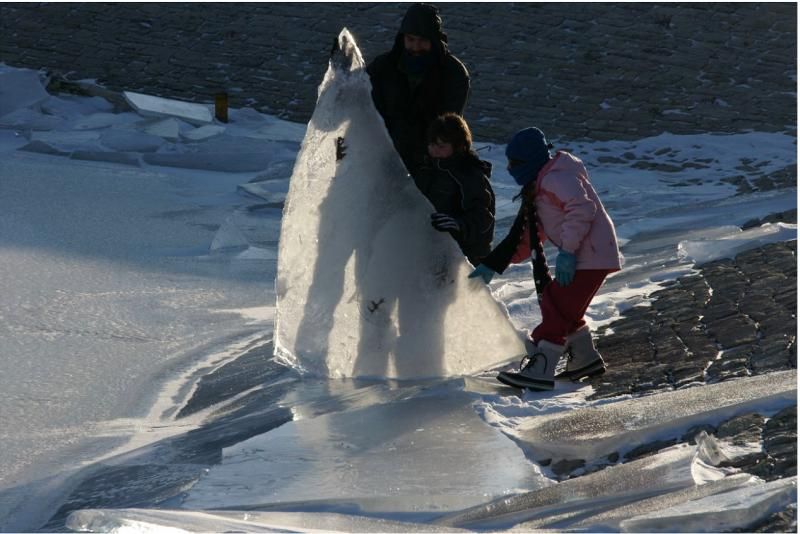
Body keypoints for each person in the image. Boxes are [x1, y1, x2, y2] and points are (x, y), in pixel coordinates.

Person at [469, 127, 622, 391]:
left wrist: (567, 252)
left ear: (531, 159)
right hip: (590, 255)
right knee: (563, 308)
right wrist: (500, 262)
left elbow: (583, 208)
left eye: (515, 163)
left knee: (554, 307)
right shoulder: (541, 184)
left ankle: (540, 368)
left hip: (589, 256)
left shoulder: (555, 179)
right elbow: (533, 232)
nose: (510, 169)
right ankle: (584, 359)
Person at [367, 3, 470, 176]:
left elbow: (448, 126)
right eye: (411, 39)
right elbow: (366, 109)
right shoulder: (383, 67)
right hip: (382, 161)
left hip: (430, 166)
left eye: (422, 41)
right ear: (402, 39)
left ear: (434, 41)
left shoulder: (454, 74)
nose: (415, 47)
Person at [416, 113, 495, 265]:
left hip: (462, 256)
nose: (435, 150)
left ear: (459, 146)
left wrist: (459, 225)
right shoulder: (425, 170)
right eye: (432, 145)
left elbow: (484, 217)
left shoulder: (469, 175)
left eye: (441, 146)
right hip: (428, 250)